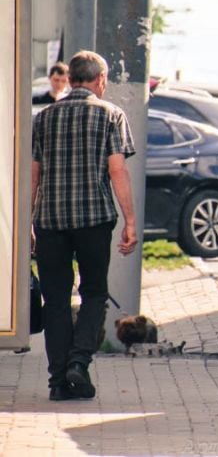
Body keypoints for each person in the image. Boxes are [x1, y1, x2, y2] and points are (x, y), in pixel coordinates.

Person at [31, 50, 138, 401]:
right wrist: (130, 221)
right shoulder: (111, 115)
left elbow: (34, 173)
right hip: (94, 220)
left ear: (72, 78)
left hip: (50, 221)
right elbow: (117, 170)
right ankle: (79, 361)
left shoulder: (44, 117)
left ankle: (58, 381)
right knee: (93, 292)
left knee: (56, 299)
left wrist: (27, 222)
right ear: (100, 80)